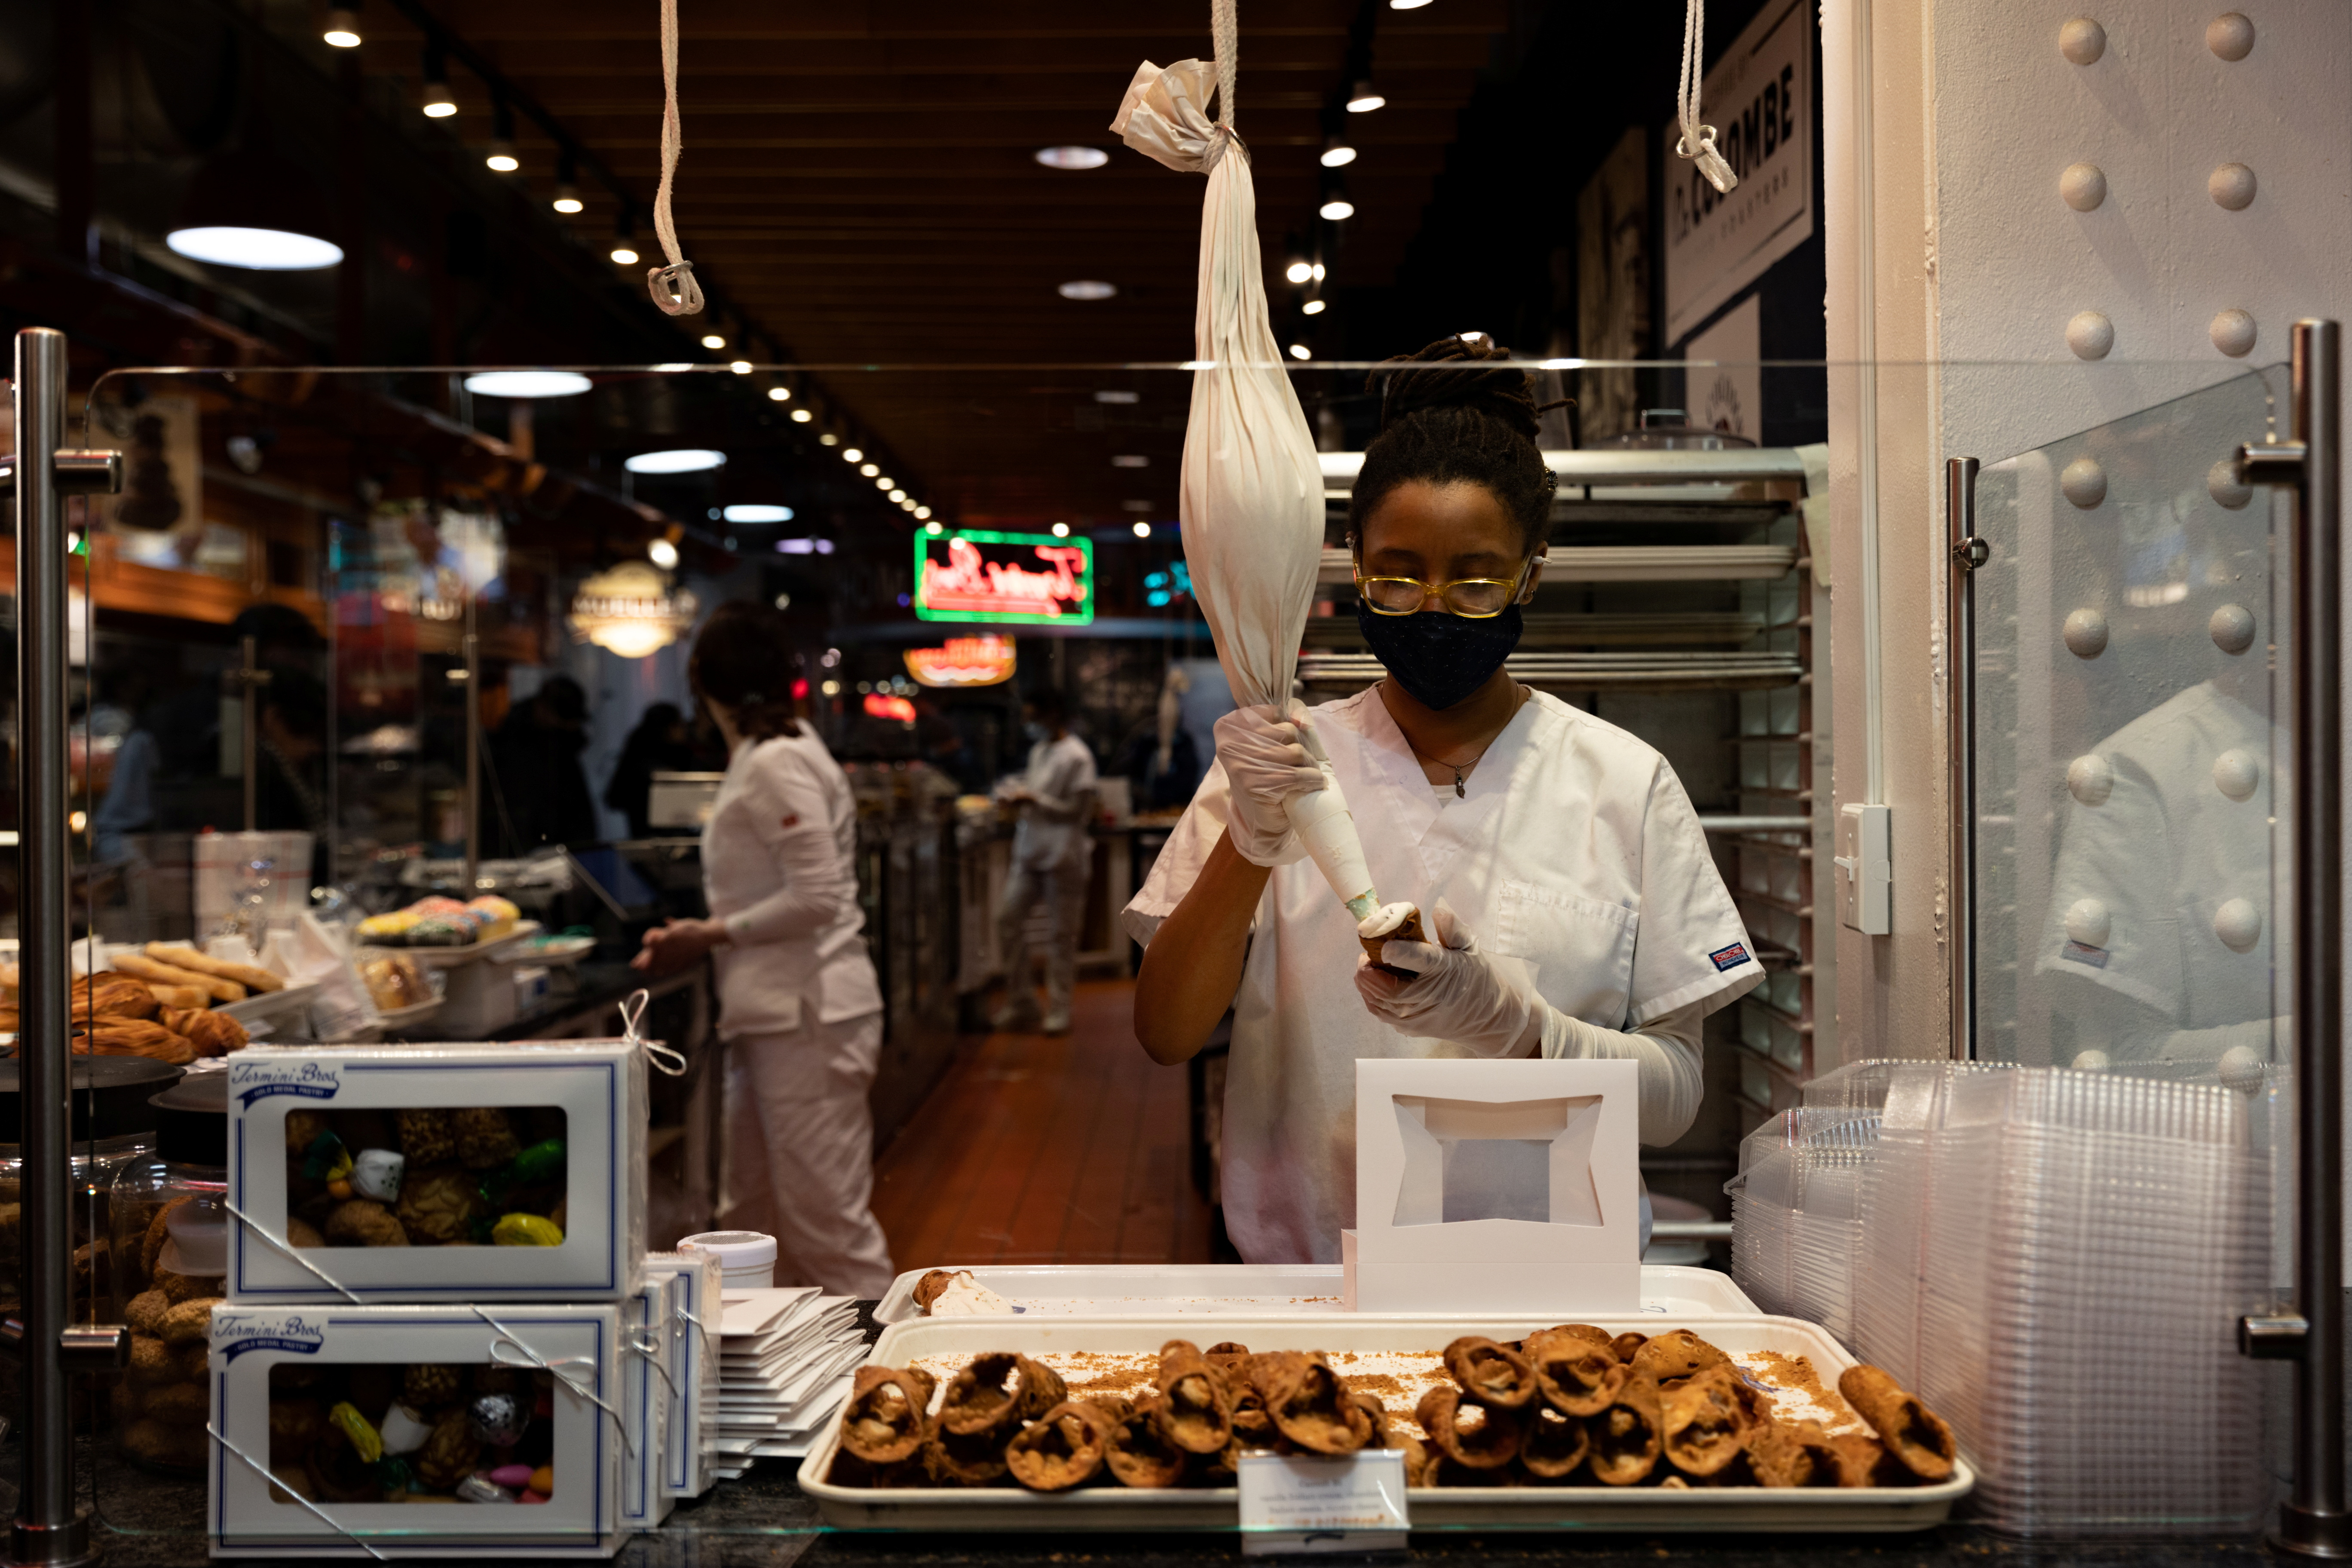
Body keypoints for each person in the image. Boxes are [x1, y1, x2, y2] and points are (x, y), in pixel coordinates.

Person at [1124, 338, 1762, 1265]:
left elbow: (1674, 1101)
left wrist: (1523, 1027)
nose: (1431, 606)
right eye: (1396, 573)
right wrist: (1249, 843)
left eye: (1474, 580)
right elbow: (1165, 1033)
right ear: (1351, 564)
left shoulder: (1622, 783)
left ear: (1530, 575)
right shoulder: (1283, 766)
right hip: (1311, 1283)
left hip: (1554, 1289)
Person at [631, 603, 892, 1298]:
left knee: (827, 1230)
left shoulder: (777, 760)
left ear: (700, 679)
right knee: (745, 1223)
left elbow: (819, 895)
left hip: (808, 1018)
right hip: (777, 1015)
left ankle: (888, 1386)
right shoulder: (774, 751)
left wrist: (707, 933)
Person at [993, 686, 1098, 1034]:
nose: (1029, 725)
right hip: (1030, 852)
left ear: (1051, 716)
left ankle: (1059, 1009)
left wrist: (1034, 799)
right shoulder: (1040, 750)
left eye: (1032, 717)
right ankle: (1022, 1001)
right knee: (1007, 921)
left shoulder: (1078, 757)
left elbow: (1079, 812)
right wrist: (1019, 795)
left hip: (1064, 856)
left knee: (1061, 937)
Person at [483, 674, 600, 854]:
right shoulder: (522, 746)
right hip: (525, 851)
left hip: (542, 851)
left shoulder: (556, 748)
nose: (573, 725)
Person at [604, 701, 694, 839]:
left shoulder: (638, 754)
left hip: (647, 838)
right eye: (679, 724)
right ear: (668, 728)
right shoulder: (649, 764)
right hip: (655, 840)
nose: (684, 729)